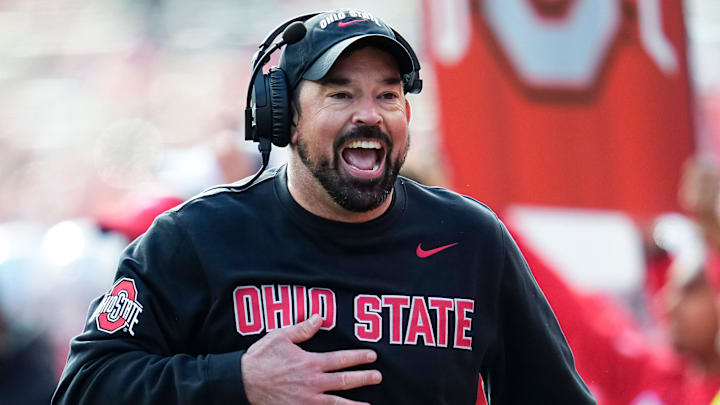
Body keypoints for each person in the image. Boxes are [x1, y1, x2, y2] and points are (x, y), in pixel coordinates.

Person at [52, 9, 595, 404]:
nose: (370, 114)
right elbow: (86, 386)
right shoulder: (194, 238)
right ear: (282, 118)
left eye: (387, 95)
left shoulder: (472, 239)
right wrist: (237, 381)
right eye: (340, 94)